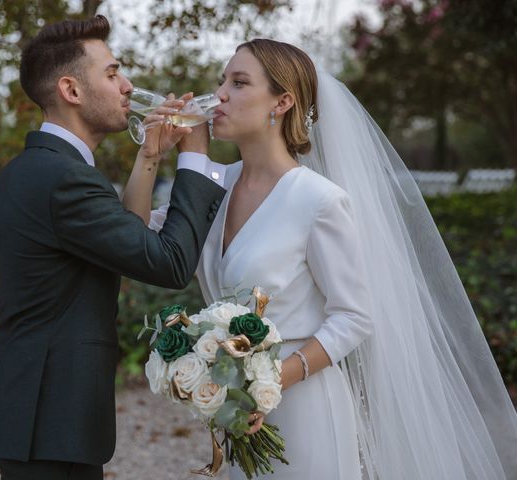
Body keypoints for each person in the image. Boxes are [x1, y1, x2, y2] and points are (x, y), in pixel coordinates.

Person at [124, 39, 517, 479]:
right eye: (221, 81)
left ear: (283, 101)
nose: (219, 96)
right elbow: (135, 236)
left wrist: (269, 383)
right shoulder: (212, 185)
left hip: (305, 406)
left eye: (238, 83)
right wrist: (151, 154)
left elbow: (353, 316)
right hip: (235, 409)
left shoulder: (318, 200)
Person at [0, 16, 227, 480]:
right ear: (72, 90)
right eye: (112, 73)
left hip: (40, 416)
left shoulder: (35, 169)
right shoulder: (63, 179)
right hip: (50, 420)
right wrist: (196, 155)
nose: (127, 85)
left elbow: (127, 237)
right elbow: (168, 262)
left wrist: (149, 157)